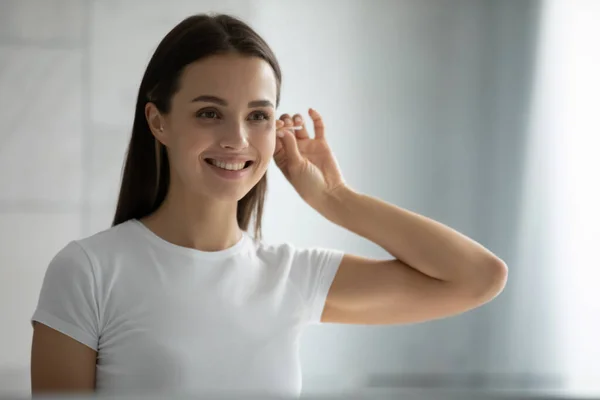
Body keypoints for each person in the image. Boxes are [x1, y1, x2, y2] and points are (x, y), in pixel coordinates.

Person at [30, 13, 507, 398]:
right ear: (158, 121)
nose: (237, 139)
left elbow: (478, 278)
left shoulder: (290, 277)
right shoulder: (89, 271)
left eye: (258, 115)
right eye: (209, 113)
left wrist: (335, 198)